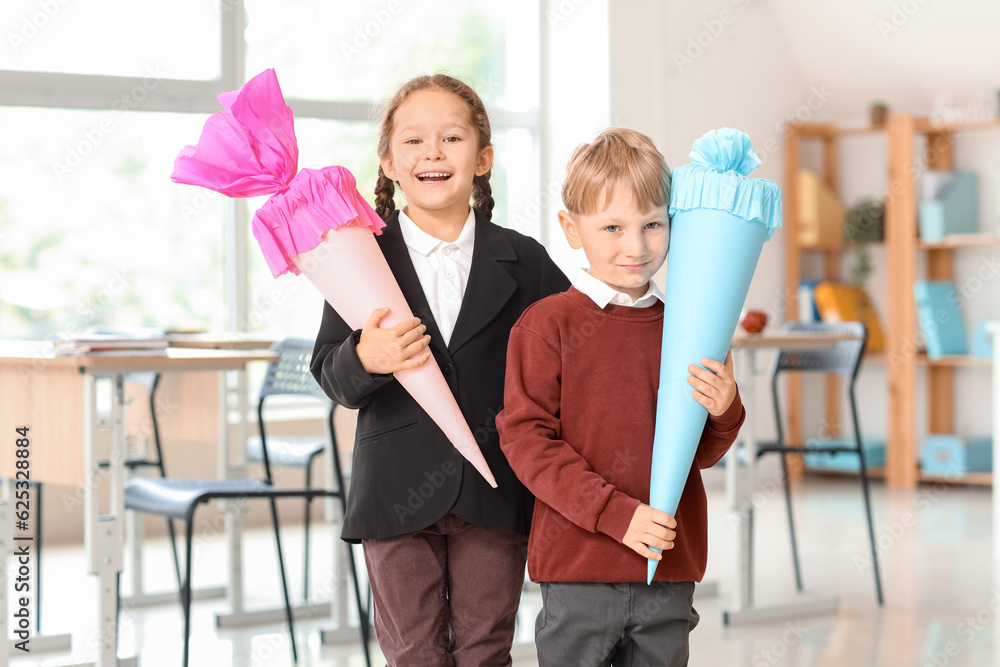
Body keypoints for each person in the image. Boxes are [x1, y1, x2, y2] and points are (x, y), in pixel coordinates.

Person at [309, 74, 570, 667]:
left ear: (483, 159)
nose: (432, 153)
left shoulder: (523, 259)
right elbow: (330, 372)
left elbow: (571, 356)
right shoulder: (359, 258)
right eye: (414, 142)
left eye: (451, 138)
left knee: (486, 650)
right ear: (388, 163)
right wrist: (365, 358)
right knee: (414, 655)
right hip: (394, 495)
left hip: (494, 489)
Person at [496, 128, 746, 666]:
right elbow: (525, 441)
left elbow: (697, 454)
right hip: (578, 567)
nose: (636, 246)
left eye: (653, 225)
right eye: (612, 227)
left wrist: (725, 409)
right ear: (571, 228)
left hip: (670, 568)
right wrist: (615, 514)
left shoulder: (691, 326)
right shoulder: (546, 326)